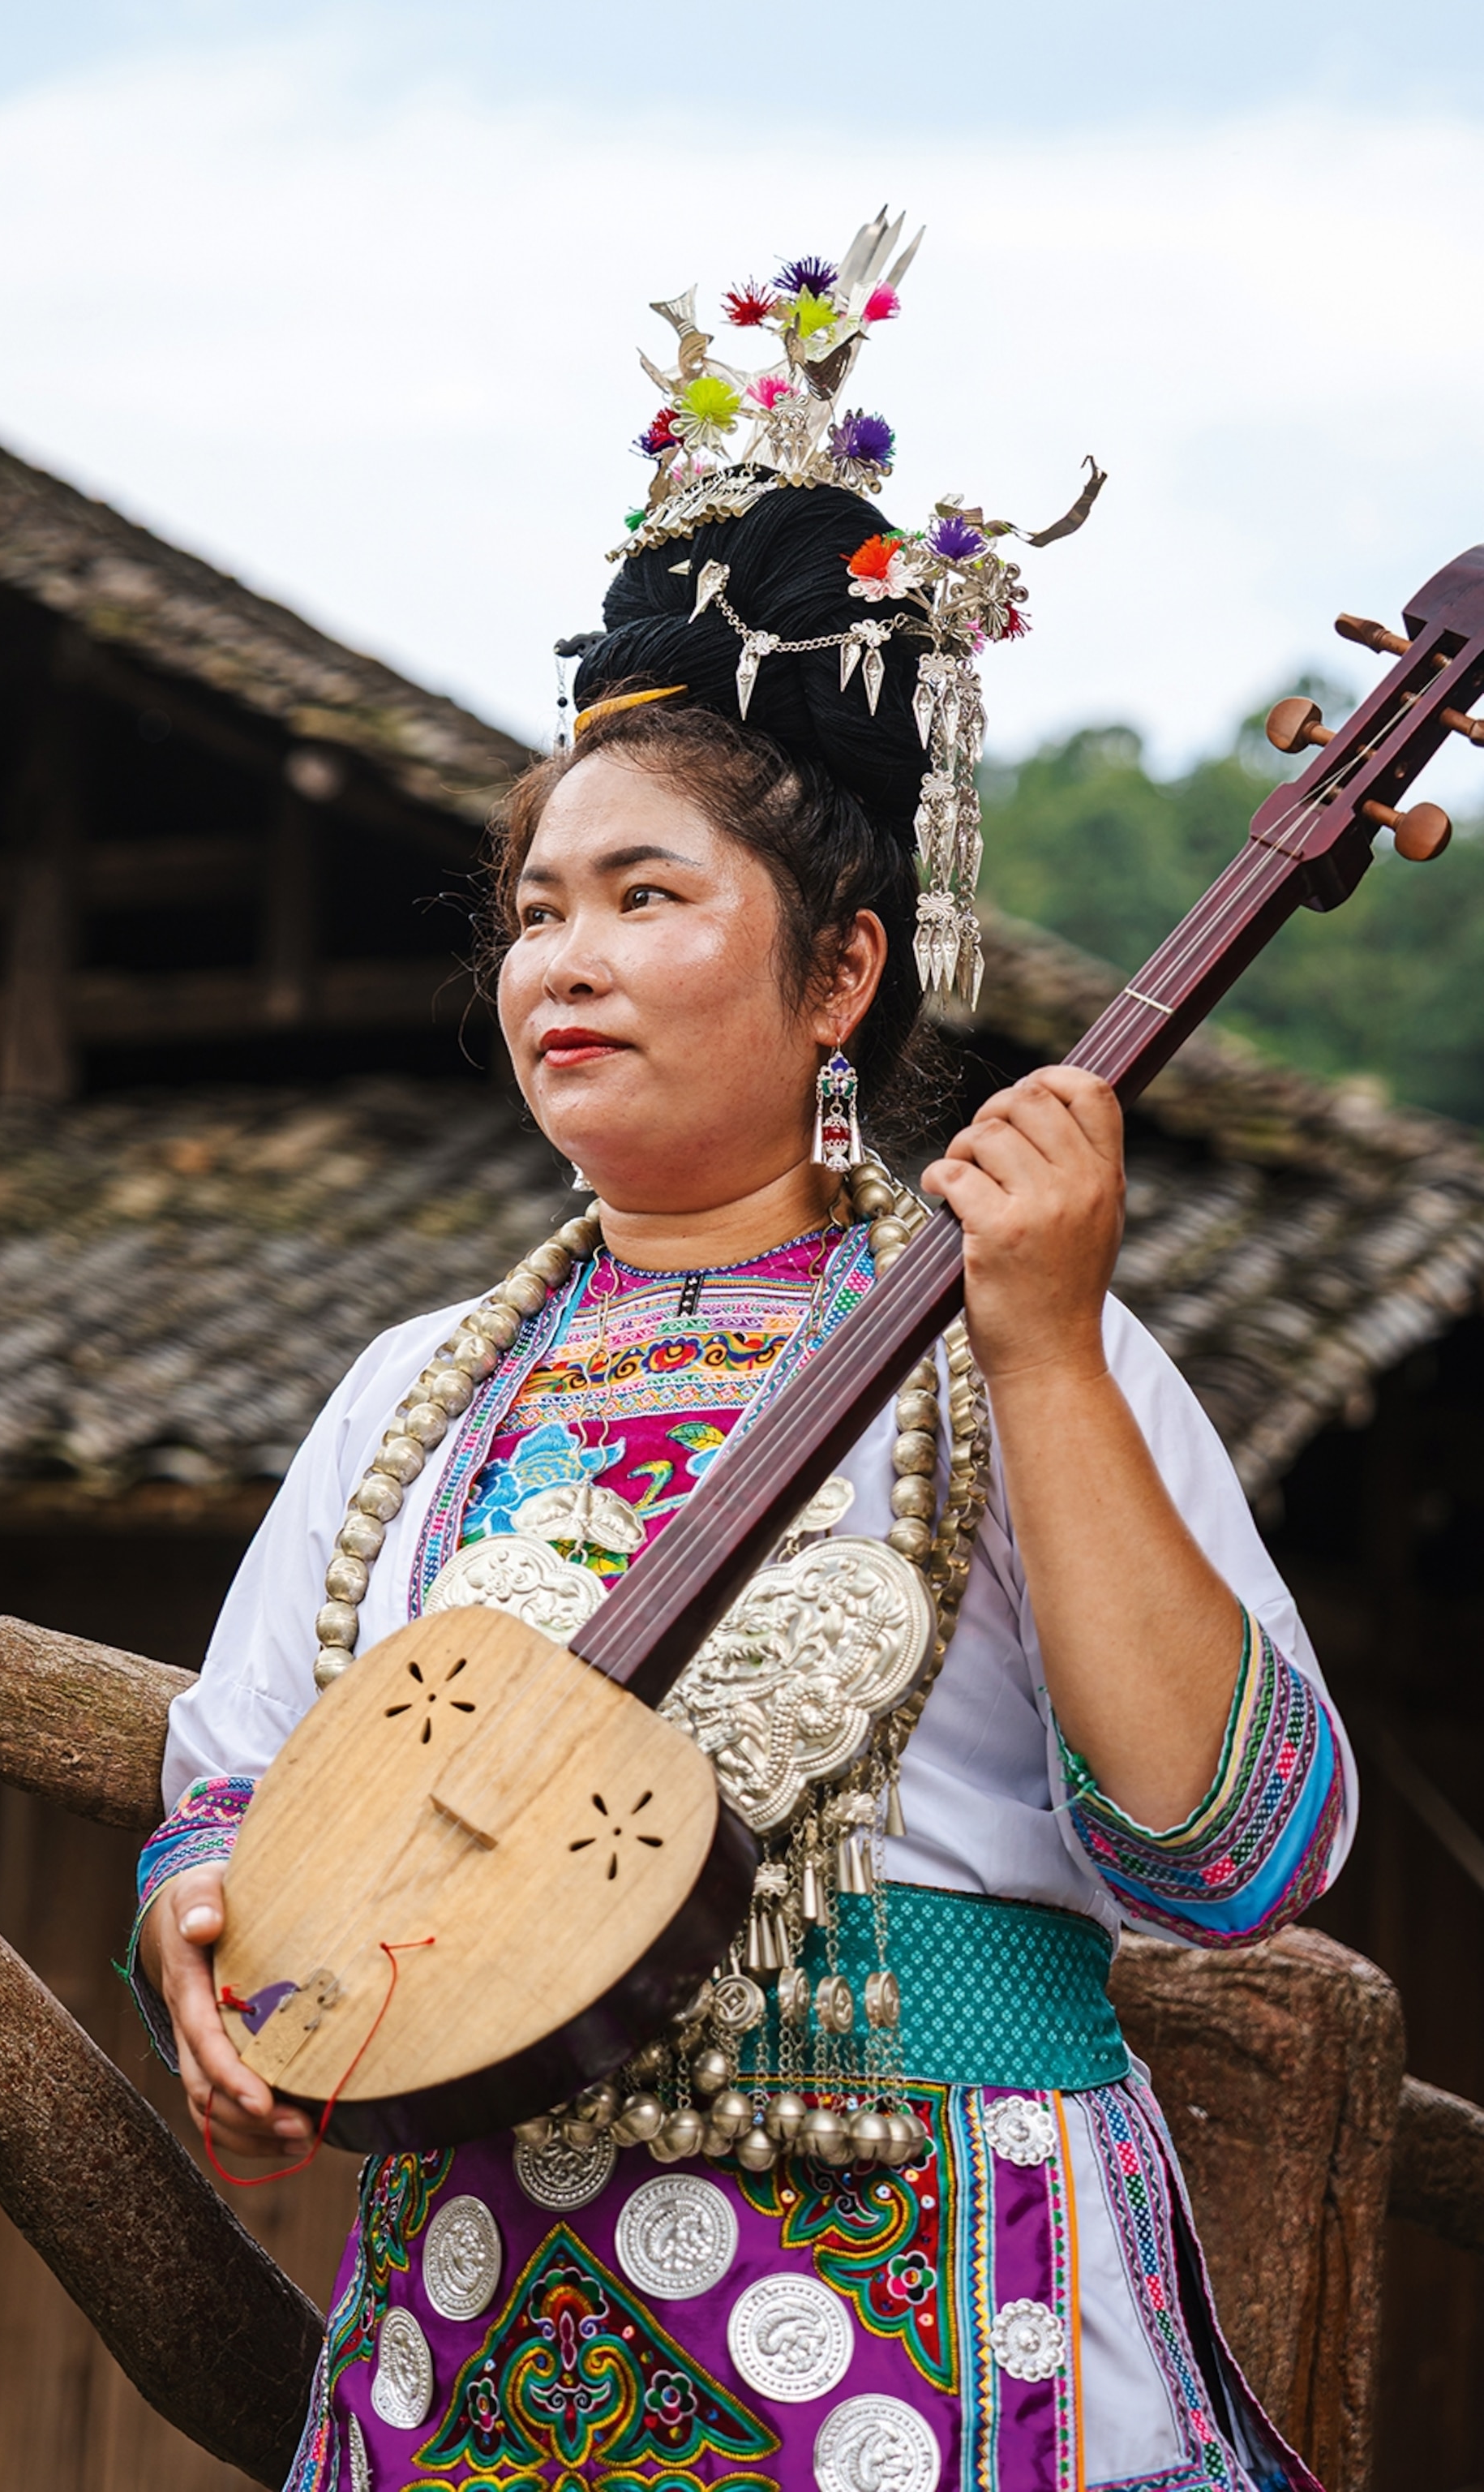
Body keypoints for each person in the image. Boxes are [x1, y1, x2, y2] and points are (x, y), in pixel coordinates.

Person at [133, 227, 1350, 2492]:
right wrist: (210, 1962)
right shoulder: (422, 1387)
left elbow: (1235, 1847)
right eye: (535, 911)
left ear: (839, 972)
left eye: (647, 900)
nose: (560, 962)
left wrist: (1055, 1349)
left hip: (936, 2310)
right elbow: (227, 1793)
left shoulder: (1028, 1331)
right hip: (477, 2331)